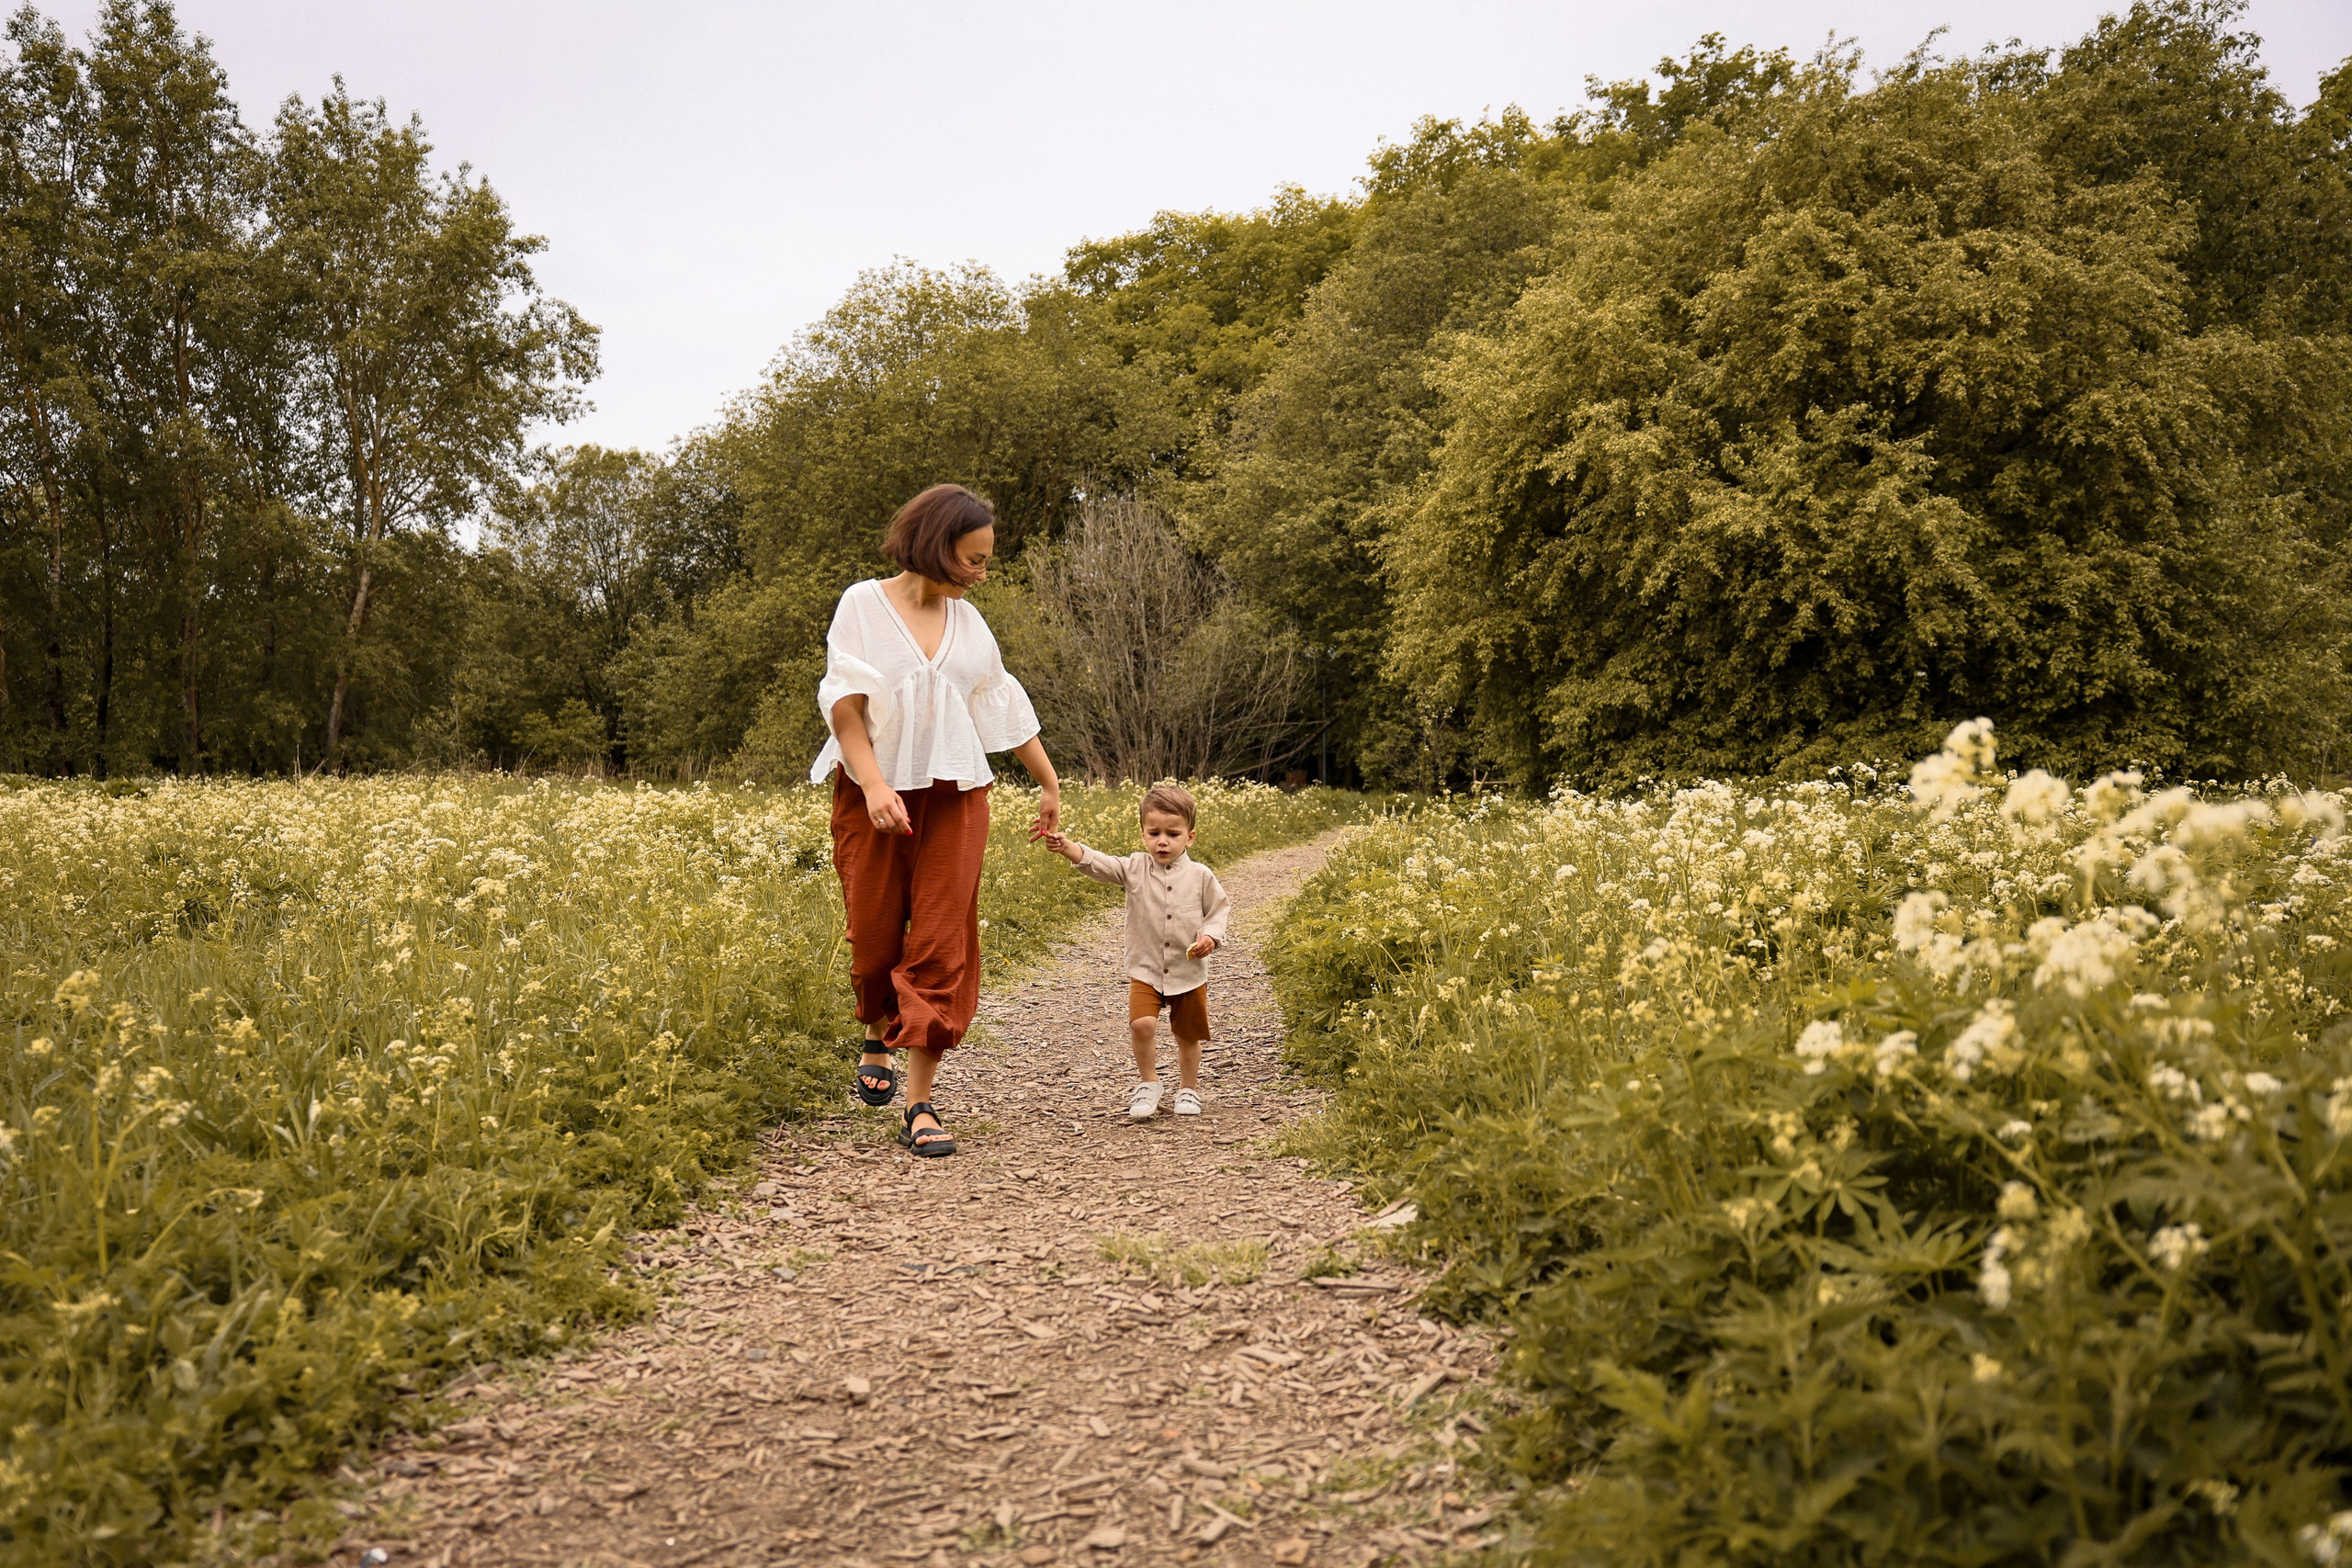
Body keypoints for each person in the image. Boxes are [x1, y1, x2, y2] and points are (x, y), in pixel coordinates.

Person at [812, 483, 1062, 1157]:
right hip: (875, 791)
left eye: (986, 561)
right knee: (871, 933)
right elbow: (845, 705)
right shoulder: (863, 604)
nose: (982, 573)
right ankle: (875, 1025)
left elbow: (1001, 704)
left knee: (942, 939)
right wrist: (872, 785)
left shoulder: (971, 626)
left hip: (956, 796)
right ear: (935, 545)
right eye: (974, 559)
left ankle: (919, 1103)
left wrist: (1047, 779)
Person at [1039, 784, 1231, 1120]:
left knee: (1188, 1034)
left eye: (1173, 833)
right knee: (1141, 1025)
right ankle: (1149, 1083)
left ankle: (1188, 1089)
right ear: (1142, 834)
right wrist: (1065, 846)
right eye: (1154, 832)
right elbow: (1097, 862)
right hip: (1145, 968)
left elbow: (1219, 911)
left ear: (1190, 836)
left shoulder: (1201, 876)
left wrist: (1211, 938)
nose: (1162, 841)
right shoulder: (1134, 868)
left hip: (1187, 972)